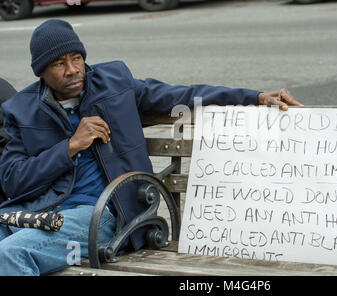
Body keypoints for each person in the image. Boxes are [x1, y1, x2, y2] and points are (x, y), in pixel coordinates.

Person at [0, 19, 301, 276]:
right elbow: (13, 180)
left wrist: (254, 97)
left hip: (105, 213)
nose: (72, 70)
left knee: (11, 254)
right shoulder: (22, 110)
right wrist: (69, 147)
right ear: (41, 72)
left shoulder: (114, 82)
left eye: (76, 58)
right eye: (58, 63)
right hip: (42, 212)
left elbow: (185, 94)